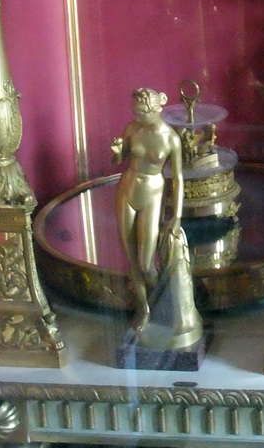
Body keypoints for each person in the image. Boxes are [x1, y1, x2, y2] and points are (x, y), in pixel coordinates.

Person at [112, 88, 202, 350]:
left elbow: (179, 178)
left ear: (155, 109)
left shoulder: (170, 138)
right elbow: (118, 160)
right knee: (131, 259)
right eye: (135, 111)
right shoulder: (132, 128)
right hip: (127, 188)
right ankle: (145, 310)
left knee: (145, 261)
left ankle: (164, 306)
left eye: (141, 112)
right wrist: (117, 151)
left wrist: (177, 215)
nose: (137, 115)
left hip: (153, 192)